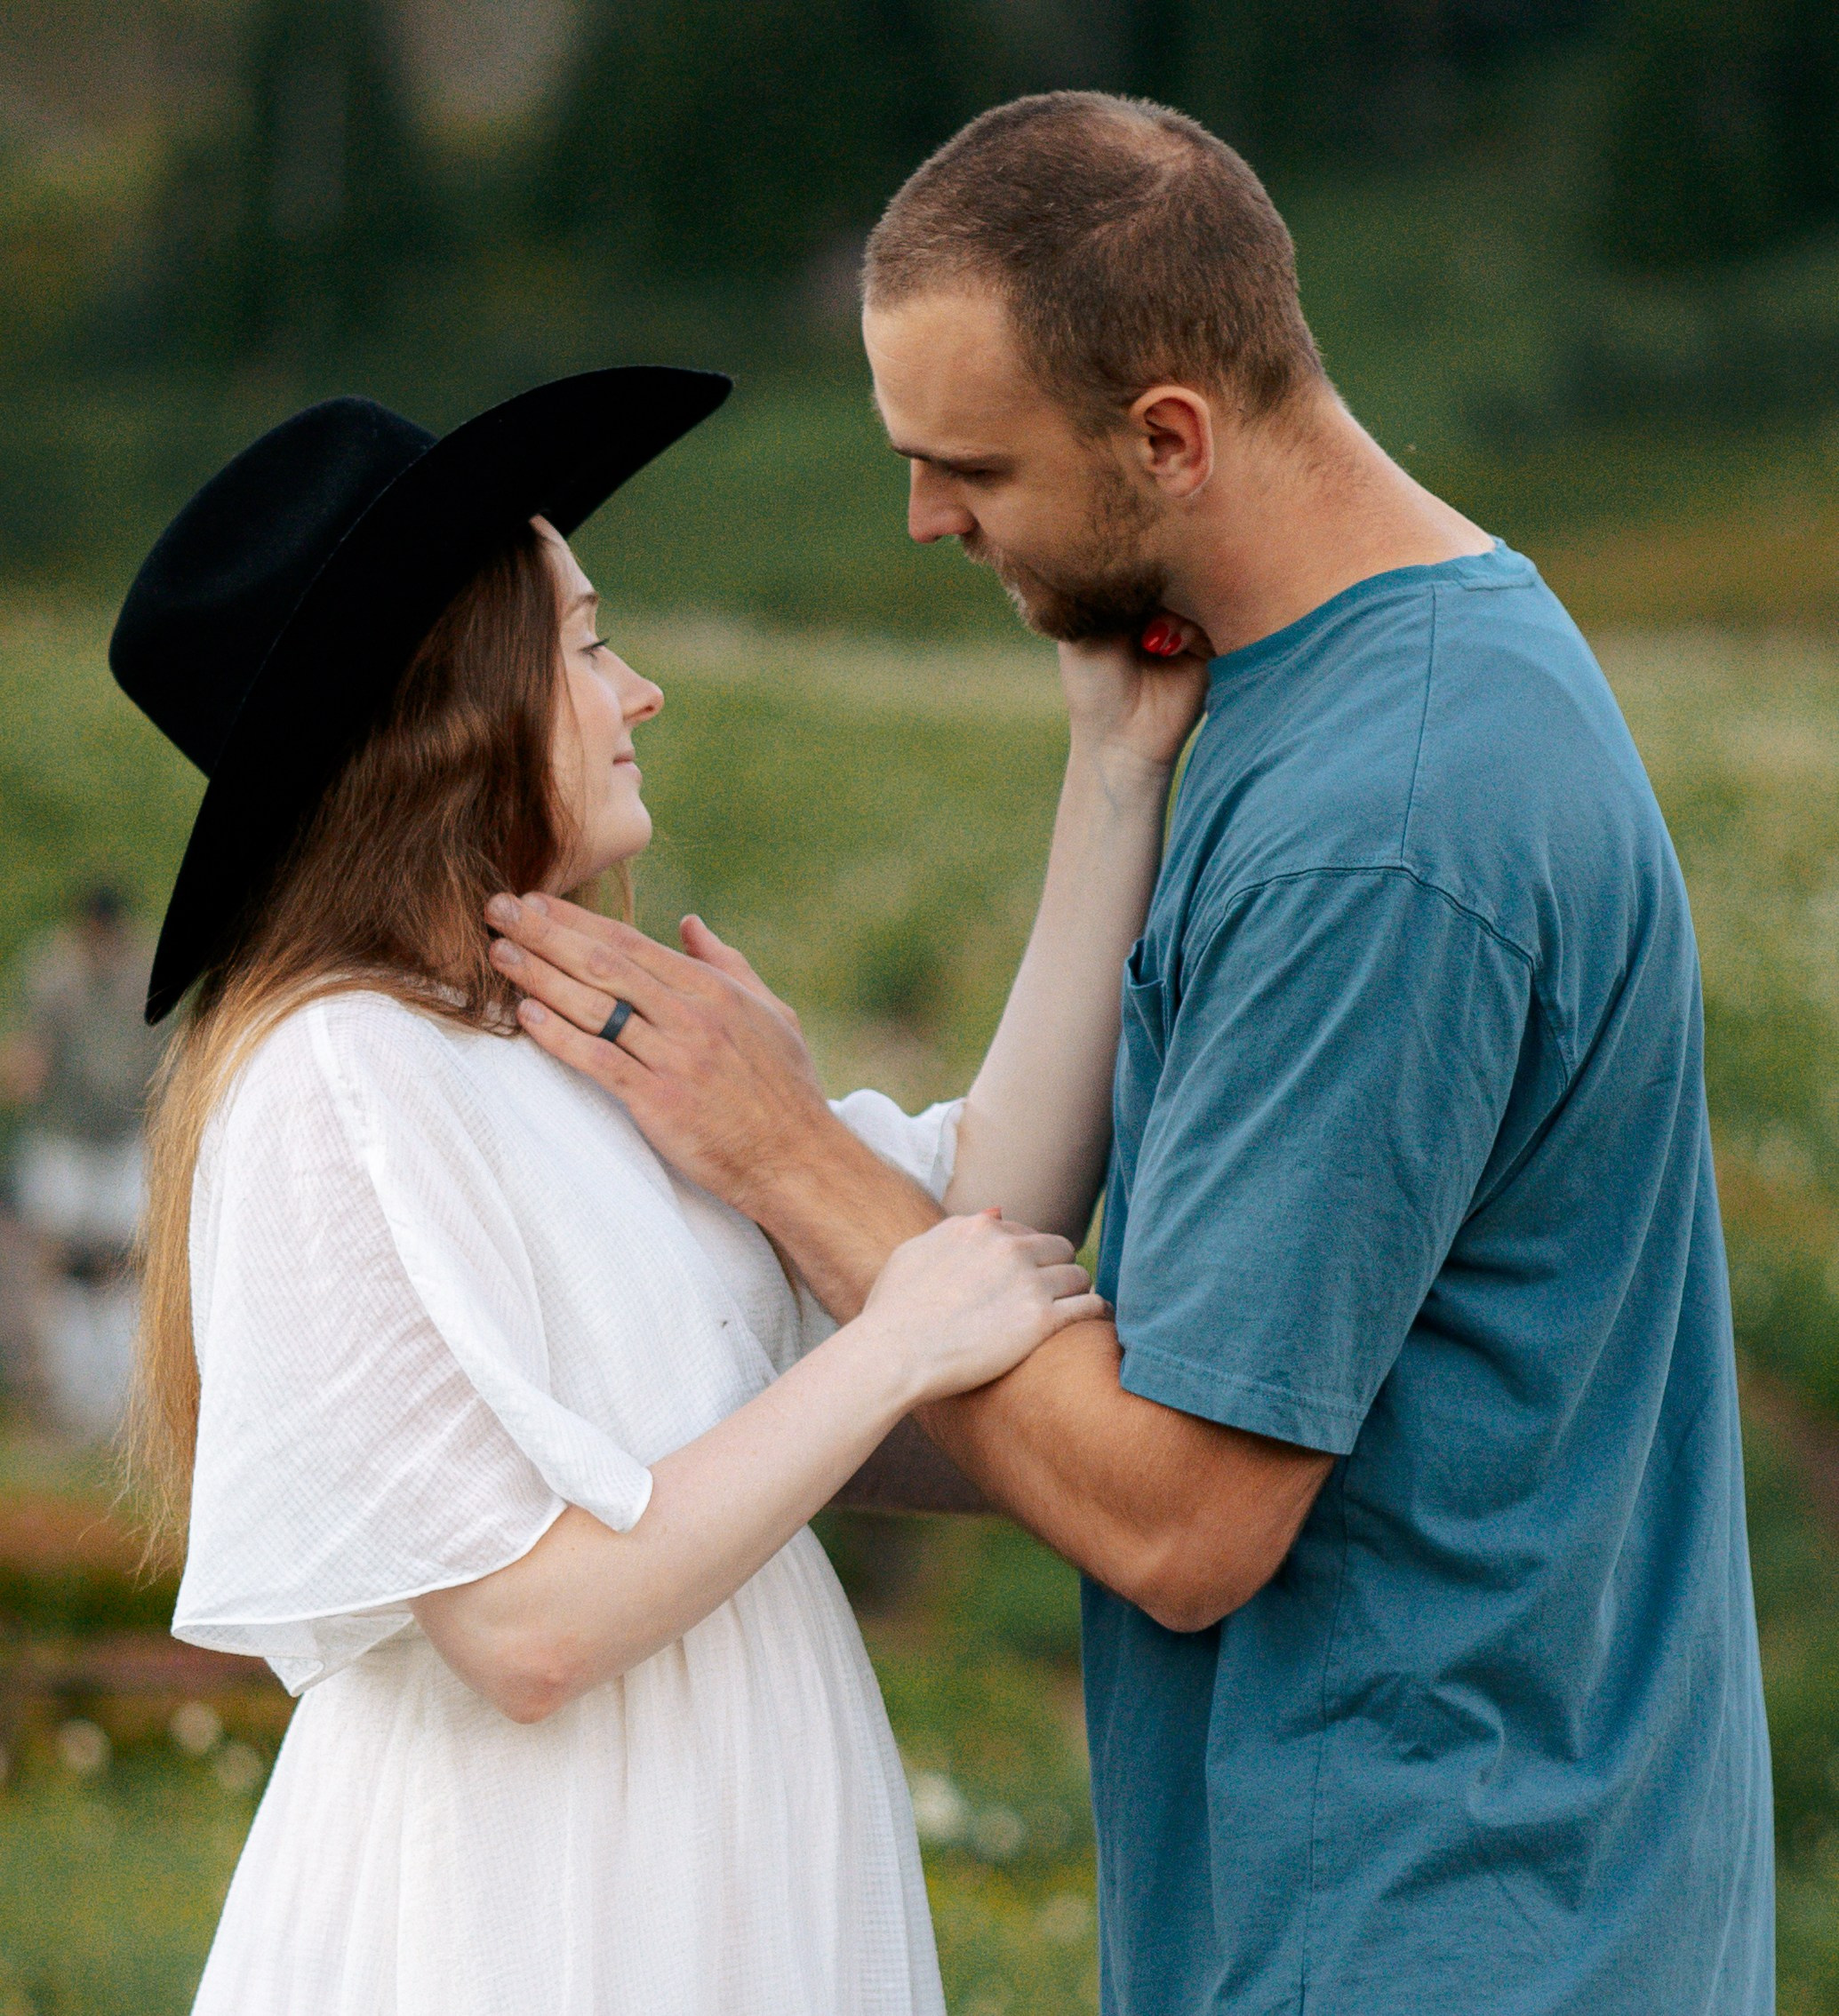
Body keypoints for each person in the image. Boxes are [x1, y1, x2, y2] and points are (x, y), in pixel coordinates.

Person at [491, 95, 1774, 2015]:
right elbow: (1086, 1368)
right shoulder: (1312, 693)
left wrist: (784, 1154)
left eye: (965, 466)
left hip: (1437, 1929)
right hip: (1421, 1899)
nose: (923, 519)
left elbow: (1178, 1521)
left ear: (1166, 435)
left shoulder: (1385, 827)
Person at [111, 366, 1198, 2014]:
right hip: (540, 1899)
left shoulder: (571, 1025)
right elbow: (524, 1623)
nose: (642, 691)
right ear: (457, 699)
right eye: (589, 643)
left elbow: (982, 1219)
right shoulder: (335, 1075)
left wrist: (1113, 771)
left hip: (719, 1846)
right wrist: (888, 1344)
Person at [1, 880, 164, 1435]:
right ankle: (66, 1404)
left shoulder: (148, 972)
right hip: (63, 1137)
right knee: (56, 1265)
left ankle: (121, 1405)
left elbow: (165, 1061)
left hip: (125, 1137)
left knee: (125, 1266)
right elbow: (33, 1057)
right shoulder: (52, 972)